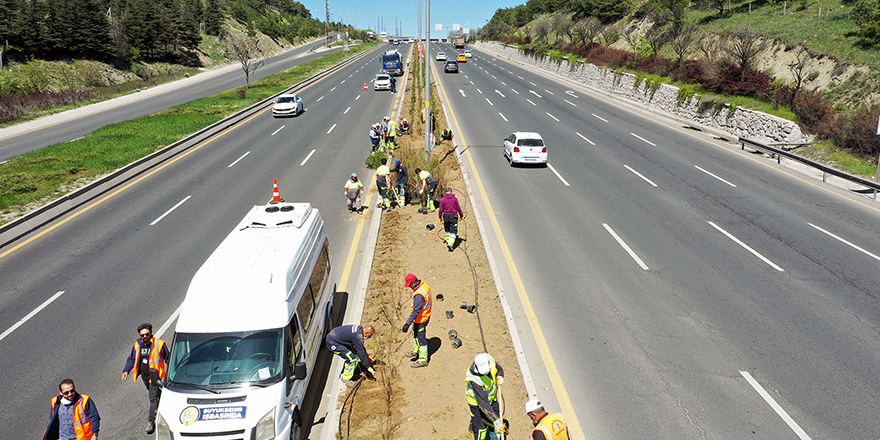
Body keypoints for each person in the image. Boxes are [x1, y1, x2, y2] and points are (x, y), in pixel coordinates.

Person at [121, 323, 170, 435]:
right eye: (142, 335)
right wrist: (126, 371)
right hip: (145, 377)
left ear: (151, 333)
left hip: (155, 377)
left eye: (147, 334)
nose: (145, 337)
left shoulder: (159, 344)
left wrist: (174, 372)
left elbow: (168, 358)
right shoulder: (138, 344)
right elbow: (132, 359)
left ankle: (151, 421)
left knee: (152, 398)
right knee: (157, 395)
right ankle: (167, 407)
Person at [465, 353, 505, 440]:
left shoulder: (490, 360)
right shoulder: (475, 380)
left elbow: (499, 369)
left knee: (496, 427)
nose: (486, 373)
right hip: (477, 405)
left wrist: (500, 376)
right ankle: (475, 425)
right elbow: (483, 403)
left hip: (492, 399)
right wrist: (494, 420)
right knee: (481, 429)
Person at [401, 273, 432, 368]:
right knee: (415, 334)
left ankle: (423, 360)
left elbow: (416, 311)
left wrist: (407, 323)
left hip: (421, 319)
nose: (409, 287)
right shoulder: (423, 286)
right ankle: (416, 351)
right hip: (420, 318)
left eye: (410, 284)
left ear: (414, 282)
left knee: (421, 339)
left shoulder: (419, 295)